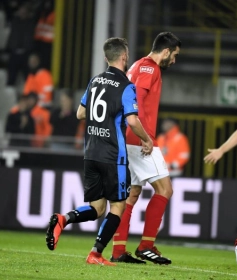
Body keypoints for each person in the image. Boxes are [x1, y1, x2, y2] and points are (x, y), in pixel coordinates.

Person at [45, 37, 153, 266]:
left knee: (97, 208)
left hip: (91, 152)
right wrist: (147, 139)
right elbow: (132, 121)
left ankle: (64, 219)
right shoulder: (126, 86)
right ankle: (95, 253)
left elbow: (80, 114)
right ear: (124, 57)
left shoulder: (94, 81)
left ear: (106, 57)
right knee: (118, 206)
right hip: (113, 155)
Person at [111, 32, 181, 265]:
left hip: (127, 138)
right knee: (165, 189)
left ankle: (119, 250)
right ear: (166, 50)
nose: (174, 61)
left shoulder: (138, 65)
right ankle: (146, 245)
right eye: (174, 55)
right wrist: (143, 136)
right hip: (139, 139)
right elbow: (136, 100)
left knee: (131, 195)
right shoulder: (150, 68)